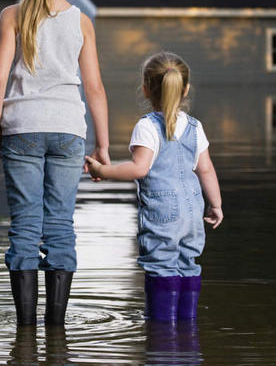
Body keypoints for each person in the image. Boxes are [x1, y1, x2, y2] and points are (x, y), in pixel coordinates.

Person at [0, 0, 110, 327]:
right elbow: (94, 87)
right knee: (59, 224)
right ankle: (56, 331)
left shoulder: (13, 16)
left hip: (21, 127)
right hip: (68, 129)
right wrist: (103, 146)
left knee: (25, 225)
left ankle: (25, 331)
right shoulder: (82, 22)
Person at [85, 52, 222, 322]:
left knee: (161, 265)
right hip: (193, 212)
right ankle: (187, 329)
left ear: (146, 88)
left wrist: (103, 171)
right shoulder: (195, 127)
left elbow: (139, 168)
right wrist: (215, 204)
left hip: (163, 212)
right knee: (188, 262)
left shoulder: (147, 126)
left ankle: (162, 331)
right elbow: (205, 168)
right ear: (185, 89)